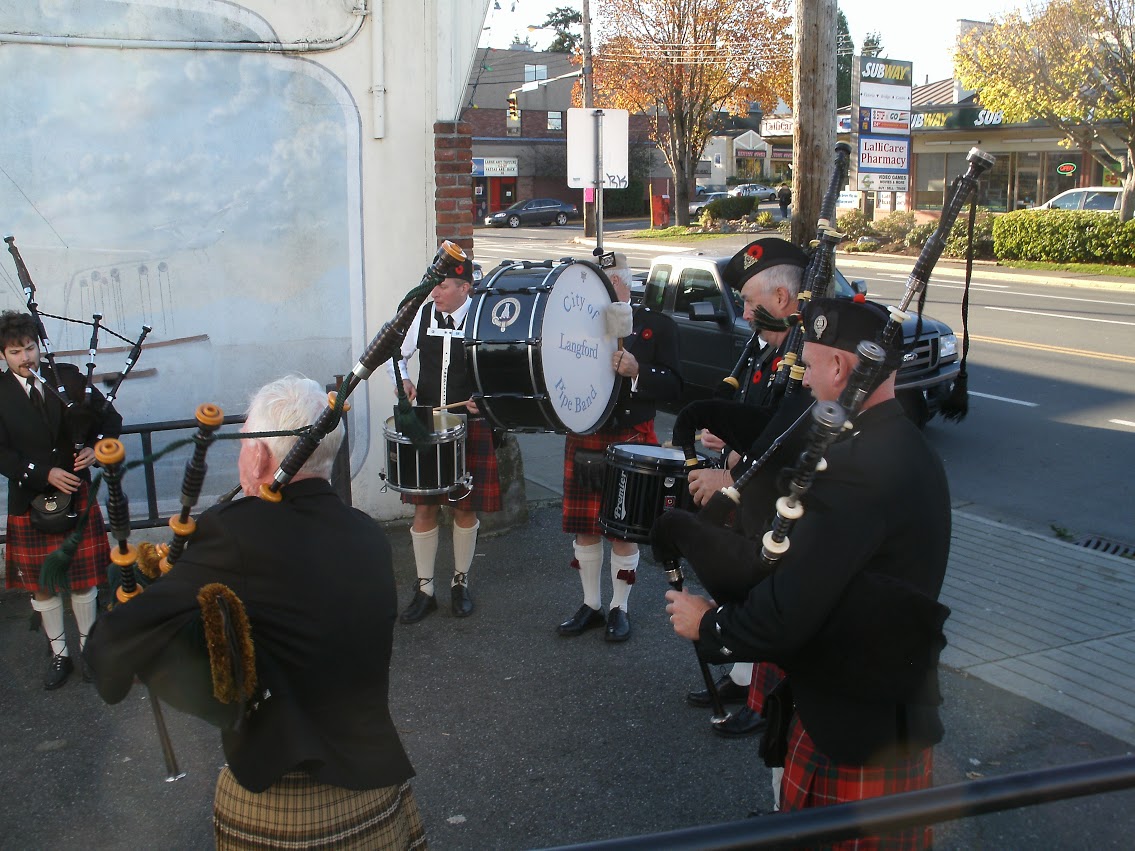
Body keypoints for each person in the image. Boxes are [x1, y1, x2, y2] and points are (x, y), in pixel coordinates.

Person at [84, 375, 425, 849]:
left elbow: (113, 645)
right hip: (378, 795)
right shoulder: (367, 533)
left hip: (284, 808)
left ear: (260, 456)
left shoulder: (234, 534)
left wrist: (150, 631)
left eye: (245, 443)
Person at [665, 298, 951, 848]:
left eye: (812, 364)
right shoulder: (901, 442)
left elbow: (790, 608)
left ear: (840, 368)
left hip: (855, 723)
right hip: (874, 701)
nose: (806, 377)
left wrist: (710, 625)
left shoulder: (860, 468)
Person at [675, 238, 810, 739]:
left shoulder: (804, 355)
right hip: (752, 496)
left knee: (766, 592)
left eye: (751, 302)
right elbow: (759, 421)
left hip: (776, 507)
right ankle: (742, 675)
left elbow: (793, 443)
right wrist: (725, 435)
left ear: (782, 298)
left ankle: (764, 698)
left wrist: (733, 474)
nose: (746, 313)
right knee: (742, 585)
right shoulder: (767, 347)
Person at [558, 253, 682, 643]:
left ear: (617, 283)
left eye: (601, 281)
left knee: (623, 530)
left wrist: (638, 371)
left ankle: (619, 608)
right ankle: (591, 604)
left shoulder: (657, 326)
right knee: (585, 529)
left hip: (631, 437)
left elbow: (676, 384)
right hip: (586, 433)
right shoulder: (578, 323)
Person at [0, 309, 121, 690]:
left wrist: (98, 448)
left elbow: (111, 419)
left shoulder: (66, 378)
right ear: (3, 355)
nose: (26, 358)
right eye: (15, 352)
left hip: (76, 494)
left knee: (83, 582)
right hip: (29, 499)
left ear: (39, 345)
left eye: (30, 348)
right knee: (42, 585)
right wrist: (43, 474)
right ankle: (60, 654)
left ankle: (88, 651)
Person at [386, 258, 501, 623]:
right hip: (428, 425)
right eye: (433, 284)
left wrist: (487, 398)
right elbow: (395, 355)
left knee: (465, 508)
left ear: (464, 288)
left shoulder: (485, 318)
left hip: (471, 426)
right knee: (424, 508)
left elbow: (503, 367)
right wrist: (403, 380)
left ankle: (460, 583)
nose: (433, 292)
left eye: (442, 285)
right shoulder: (422, 315)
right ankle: (425, 590)